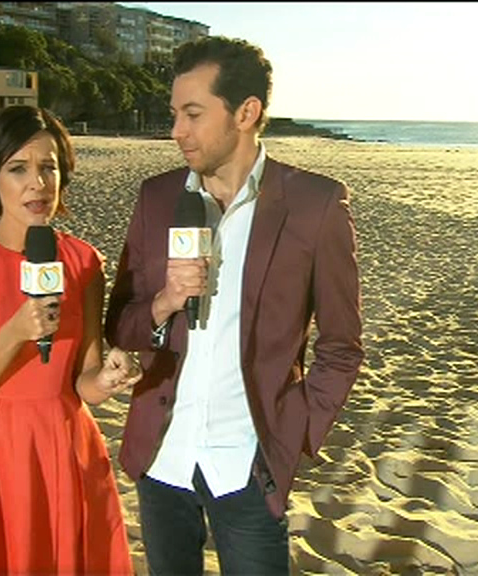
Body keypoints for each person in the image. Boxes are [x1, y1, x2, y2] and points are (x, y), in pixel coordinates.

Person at [104, 36, 364, 574]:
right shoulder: (156, 197)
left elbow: (341, 345)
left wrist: (295, 429)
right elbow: (120, 325)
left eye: (193, 114)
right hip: (161, 459)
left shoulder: (315, 205)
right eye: (175, 114)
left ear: (246, 113)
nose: (177, 131)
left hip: (248, 468)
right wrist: (164, 304)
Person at [0, 105, 140, 575]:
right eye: (18, 168)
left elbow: (83, 382)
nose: (37, 183)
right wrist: (15, 334)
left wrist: (108, 378)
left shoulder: (84, 262)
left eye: (49, 168)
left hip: (65, 447)